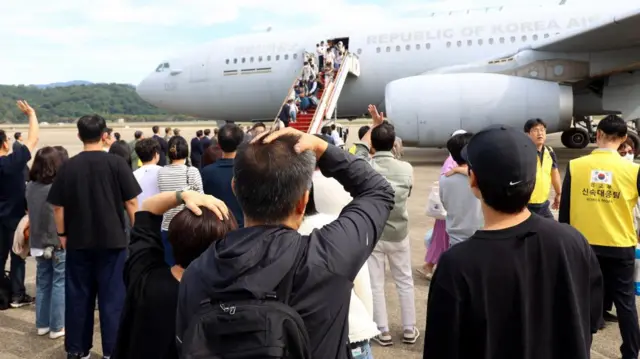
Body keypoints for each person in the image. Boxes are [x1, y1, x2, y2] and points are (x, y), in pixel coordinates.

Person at [175, 127, 394, 359]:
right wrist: (323, 150)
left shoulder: (197, 273)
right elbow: (378, 191)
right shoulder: (326, 258)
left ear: (234, 189)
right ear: (303, 202)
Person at [424, 125, 603, 359]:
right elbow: (591, 318)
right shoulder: (572, 241)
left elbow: (442, 347)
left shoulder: (457, 265)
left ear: (473, 180)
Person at [47, 114, 141, 359]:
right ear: (105, 135)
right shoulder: (117, 164)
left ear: (78, 136)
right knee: (113, 300)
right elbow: (131, 201)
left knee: (78, 297)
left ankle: (77, 350)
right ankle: (113, 350)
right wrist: (139, 232)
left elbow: (57, 206)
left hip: (78, 241)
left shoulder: (68, 166)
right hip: (113, 242)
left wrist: (62, 234)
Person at [112, 191, 236, 359]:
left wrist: (183, 195)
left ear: (174, 238)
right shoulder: (228, 305)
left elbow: (147, 208)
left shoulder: (144, 277)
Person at [559, 115, 640, 359]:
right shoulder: (634, 170)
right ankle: (631, 353)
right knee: (626, 305)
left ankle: (580, 350)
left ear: (597, 135)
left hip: (583, 247)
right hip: (620, 245)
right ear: (624, 139)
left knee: (583, 304)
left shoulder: (576, 166)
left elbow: (564, 212)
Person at [298, 147, 378, 359]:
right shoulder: (335, 229)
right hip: (351, 332)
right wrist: (365, 322)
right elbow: (362, 286)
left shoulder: (268, 240)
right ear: (305, 197)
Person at [353, 105, 418, 346]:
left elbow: (357, 151)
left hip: (374, 232)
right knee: (404, 280)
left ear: (372, 144)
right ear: (394, 144)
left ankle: (382, 330)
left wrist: (373, 126)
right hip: (399, 232)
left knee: (376, 284)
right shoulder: (407, 169)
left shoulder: (367, 167)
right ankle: (410, 328)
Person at [0, 101, 39, 308]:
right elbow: (33, 139)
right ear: (5, 144)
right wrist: (31, 115)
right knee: (17, 255)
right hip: (13, 217)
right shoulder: (13, 162)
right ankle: (17, 295)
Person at [26, 146, 68, 339]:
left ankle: (42, 324)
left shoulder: (30, 186)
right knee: (59, 283)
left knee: (43, 282)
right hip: (57, 240)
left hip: (37, 241)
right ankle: (57, 326)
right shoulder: (58, 187)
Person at [419, 129, 468, 279]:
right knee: (441, 240)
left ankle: (432, 266)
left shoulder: (456, 164)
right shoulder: (451, 163)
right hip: (450, 213)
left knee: (441, 240)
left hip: (453, 212)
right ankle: (430, 266)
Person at [157, 136, 203, 266]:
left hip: (167, 225)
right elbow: (201, 197)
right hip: (187, 226)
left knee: (170, 265)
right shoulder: (192, 171)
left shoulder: (161, 172)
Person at [439, 132, 483, 247]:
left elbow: (445, 204)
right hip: (482, 239)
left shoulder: (445, 179)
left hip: (456, 240)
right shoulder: (484, 178)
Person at [201, 124, 245, 227]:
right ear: (240, 144)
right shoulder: (247, 170)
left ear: (219, 145)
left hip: (217, 227)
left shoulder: (206, 172)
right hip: (242, 227)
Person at [524, 119, 561, 218]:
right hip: (526, 206)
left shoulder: (549, 151)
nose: (540, 133)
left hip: (543, 205)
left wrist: (558, 193)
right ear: (527, 134)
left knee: (552, 231)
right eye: (535, 130)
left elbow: (554, 172)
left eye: (542, 130)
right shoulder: (523, 153)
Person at [133, 138, 162, 209]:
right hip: (161, 216)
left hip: (140, 215)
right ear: (156, 155)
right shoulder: (163, 172)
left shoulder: (133, 175)